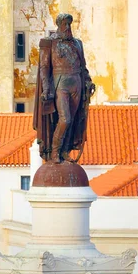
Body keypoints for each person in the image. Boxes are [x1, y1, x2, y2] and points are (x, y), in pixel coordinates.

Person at [33, 13, 95, 163]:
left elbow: (83, 66)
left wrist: (88, 81)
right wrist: (46, 89)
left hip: (76, 83)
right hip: (60, 83)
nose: (67, 27)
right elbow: (44, 68)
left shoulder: (77, 43)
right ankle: (55, 151)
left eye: (69, 24)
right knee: (65, 118)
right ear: (58, 25)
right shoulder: (49, 43)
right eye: (64, 24)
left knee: (72, 120)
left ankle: (65, 151)